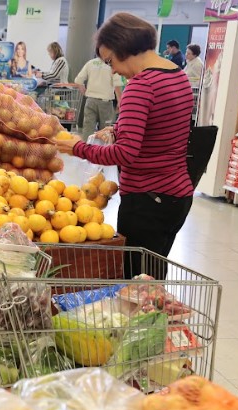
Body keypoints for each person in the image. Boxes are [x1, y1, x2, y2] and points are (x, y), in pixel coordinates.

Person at [55, 13, 194, 279]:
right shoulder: (177, 76)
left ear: (124, 48)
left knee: (135, 282)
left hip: (147, 201)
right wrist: (120, 129)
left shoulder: (140, 86)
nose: (113, 70)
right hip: (177, 196)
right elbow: (163, 127)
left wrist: (76, 148)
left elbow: (124, 154)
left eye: (110, 61)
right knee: (152, 275)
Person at [74, 55, 124, 141]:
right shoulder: (112, 64)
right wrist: (120, 101)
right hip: (105, 102)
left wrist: (85, 92)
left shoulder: (90, 63)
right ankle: (101, 151)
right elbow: (117, 84)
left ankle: (85, 151)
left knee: (88, 129)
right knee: (105, 131)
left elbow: (78, 80)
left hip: (90, 101)